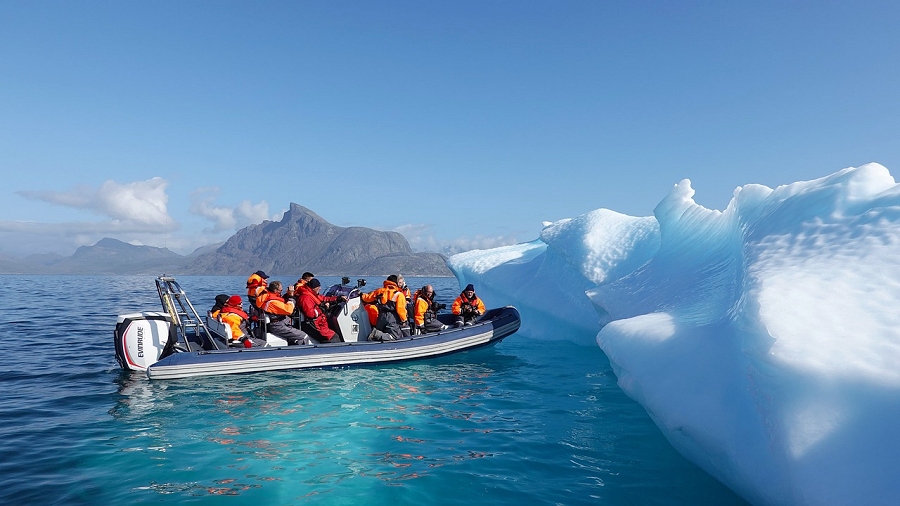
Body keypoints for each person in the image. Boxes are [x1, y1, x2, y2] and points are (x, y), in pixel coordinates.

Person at [254, 280, 312, 346]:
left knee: (294, 335)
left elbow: (281, 303)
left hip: (278, 323)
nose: (281, 292)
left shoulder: (266, 297)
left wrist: (287, 295)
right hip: (277, 325)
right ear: (275, 290)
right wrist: (291, 297)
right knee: (303, 336)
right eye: (280, 290)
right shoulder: (272, 302)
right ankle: (302, 352)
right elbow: (289, 310)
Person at [360, 274, 409, 340]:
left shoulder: (380, 291)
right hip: (392, 318)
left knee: (382, 333)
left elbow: (367, 298)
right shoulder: (399, 294)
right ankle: (376, 333)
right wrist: (404, 321)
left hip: (381, 317)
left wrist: (361, 294)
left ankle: (376, 337)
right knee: (395, 337)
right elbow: (401, 310)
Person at [297, 278, 346, 343]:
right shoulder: (305, 298)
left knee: (332, 332)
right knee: (334, 337)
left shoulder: (312, 294)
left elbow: (324, 299)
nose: (320, 288)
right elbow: (310, 314)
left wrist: (338, 299)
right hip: (312, 324)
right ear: (314, 288)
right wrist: (323, 308)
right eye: (318, 287)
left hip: (318, 322)